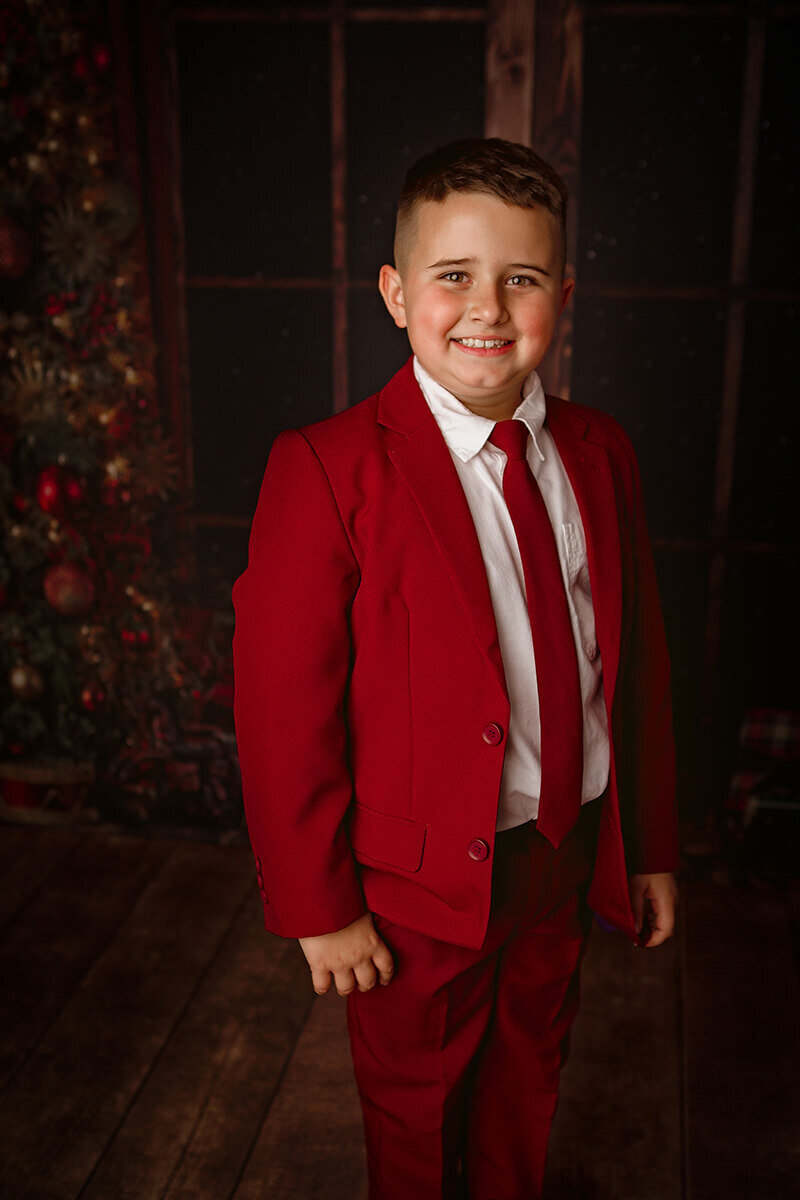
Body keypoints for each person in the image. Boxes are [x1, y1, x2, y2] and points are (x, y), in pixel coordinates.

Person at [231, 137, 679, 1199]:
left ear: (560, 297)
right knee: (418, 1117)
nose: (487, 306)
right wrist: (317, 905)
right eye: (452, 277)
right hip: (410, 890)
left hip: (559, 857)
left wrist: (644, 843)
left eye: (519, 279)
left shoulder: (598, 452)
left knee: (525, 1088)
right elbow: (279, 705)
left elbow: (638, 666)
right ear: (394, 293)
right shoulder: (327, 467)